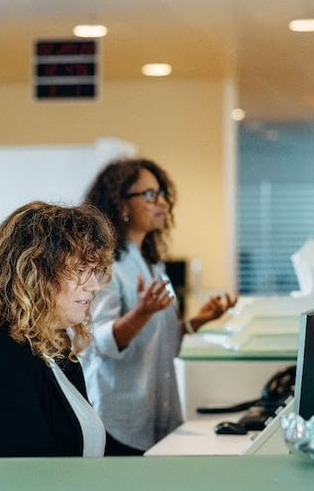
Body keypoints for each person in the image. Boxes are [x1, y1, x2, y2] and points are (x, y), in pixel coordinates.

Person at [0, 201, 116, 458]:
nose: (94, 286)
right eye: (81, 270)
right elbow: (30, 477)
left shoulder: (52, 346)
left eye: (95, 271)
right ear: (34, 274)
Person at [81, 158, 237, 455]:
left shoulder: (151, 264)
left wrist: (198, 321)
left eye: (162, 194)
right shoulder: (106, 265)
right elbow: (100, 342)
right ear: (121, 204)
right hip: (118, 419)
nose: (162, 203)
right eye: (150, 195)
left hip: (154, 412)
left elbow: (157, 340)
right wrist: (142, 312)